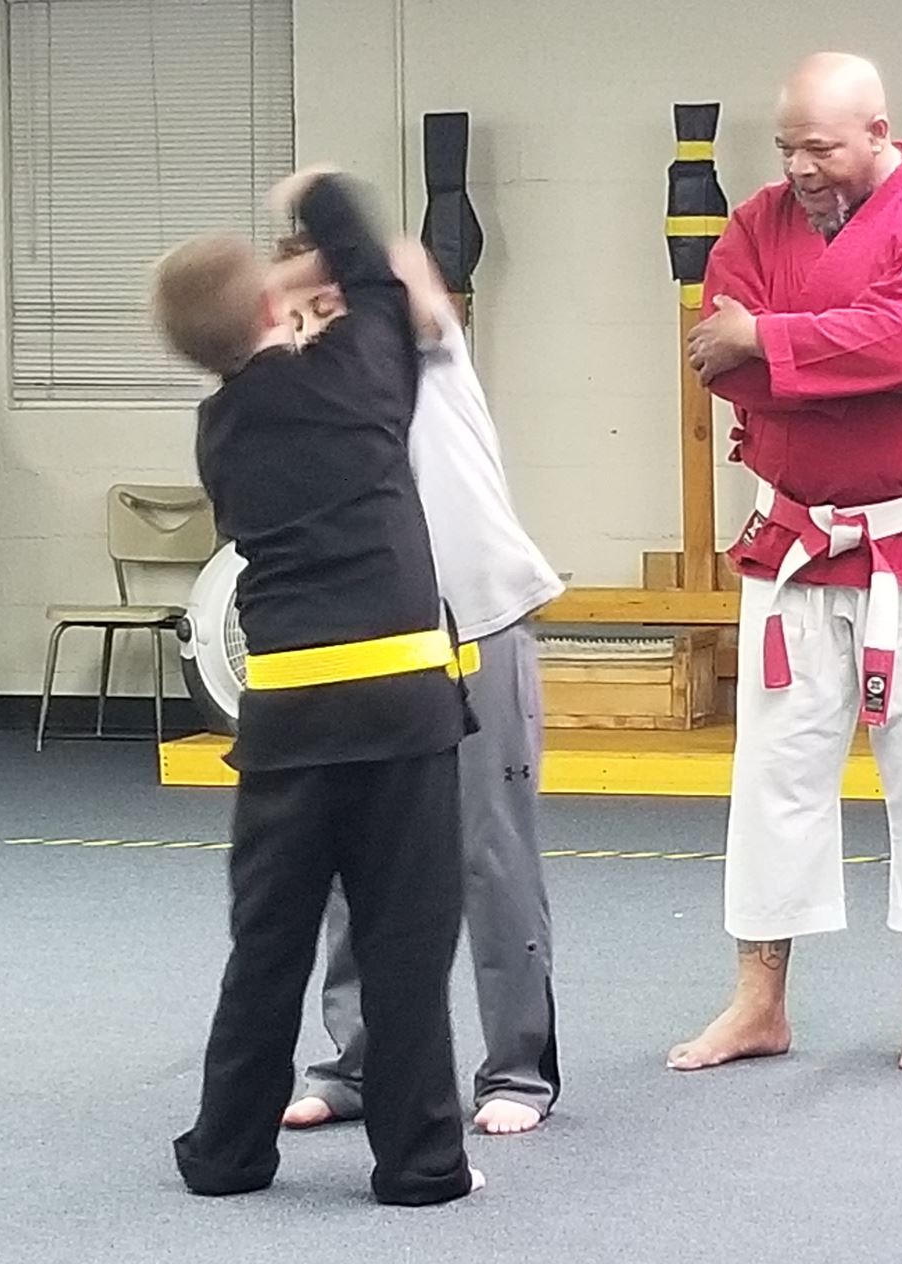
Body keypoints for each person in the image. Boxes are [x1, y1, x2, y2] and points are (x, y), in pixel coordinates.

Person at [669, 51, 902, 1075]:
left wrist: (776, 342)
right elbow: (723, 364)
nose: (798, 168)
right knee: (773, 774)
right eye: (785, 147)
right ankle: (759, 1000)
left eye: (819, 147)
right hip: (794, 541)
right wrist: (858, 368)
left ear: (878, 132)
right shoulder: (754, 223)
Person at [152, 166, 480, 1205]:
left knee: (267, 945)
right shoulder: (353, 378)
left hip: (287, 718)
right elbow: (378, 277)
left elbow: (354, 292)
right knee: (405, 946)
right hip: (400, 703)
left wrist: (284, 272)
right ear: (271, 306)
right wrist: (321, 192)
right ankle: (420, 1163)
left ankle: (228, 1152)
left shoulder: (219, 432)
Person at [267, 235, 565, 1139]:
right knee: (354, 859)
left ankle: (518, 1071)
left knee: (490, 853)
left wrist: (332, 239)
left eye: (328, 308)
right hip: (373, 645)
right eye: (298, 318)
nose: (314, 330)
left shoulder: (431, 354)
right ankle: (355, 1063)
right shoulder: (309, 405)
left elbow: (406, 269)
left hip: (477, 626)